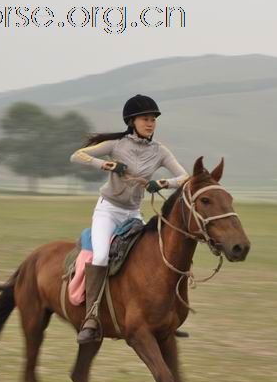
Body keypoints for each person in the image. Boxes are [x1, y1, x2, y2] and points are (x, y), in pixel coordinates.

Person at [70, 94, 189, 344]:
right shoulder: (116, 145)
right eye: (146, 119)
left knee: (151, 257)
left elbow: (185, 177)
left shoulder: (160, 151)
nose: (151, 123)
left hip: (133, 214)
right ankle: (91, 317)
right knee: (101, 256)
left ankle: (163, 315)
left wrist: (162, 183)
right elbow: (77, 156)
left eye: (153, 119)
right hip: (108, 211)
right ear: (132, 121)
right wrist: (107, 166)